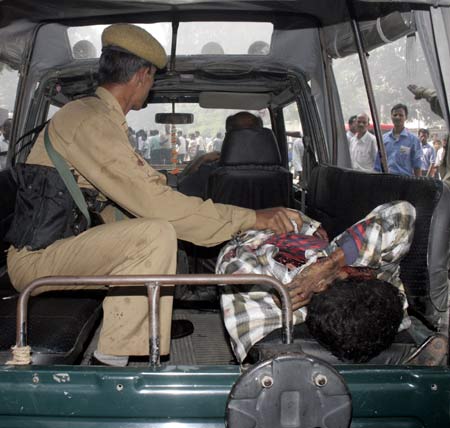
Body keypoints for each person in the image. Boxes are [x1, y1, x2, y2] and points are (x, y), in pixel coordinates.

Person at [6, 24, 303, 366]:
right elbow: (154, 202)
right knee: (156, 231)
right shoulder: (88, 121)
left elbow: (145, 187)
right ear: (143, 76)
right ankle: (112, 361)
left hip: (63, 248)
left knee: (160, 229)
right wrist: (251, 217)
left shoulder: (99, 119)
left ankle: (148, 322)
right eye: (153, 78)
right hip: (38, 260)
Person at [217, 201, 417, 363]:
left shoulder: (276, 299)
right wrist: (331, 262)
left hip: (252, 233)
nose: (353, 271)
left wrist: (257, 223)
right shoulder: (376, 281)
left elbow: (231, 256)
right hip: (294, 227)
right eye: (357, 272)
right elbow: (402, 211)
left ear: (322, 290)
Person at [178, 112, 262, 198]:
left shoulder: (211, 171)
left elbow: (182, 190)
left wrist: (201, 159)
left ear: (228, 136)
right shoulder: (274, 171)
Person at [374, 104, 423, 177]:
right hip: (386, 180)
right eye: (395, 115)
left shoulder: (413, 140)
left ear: (406, 117)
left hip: (405, 182)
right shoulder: (383, 139)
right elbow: (378, 164)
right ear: (391, 117)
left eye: (401, 115)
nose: (397, 117)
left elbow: (417, 164)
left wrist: (418, 185)